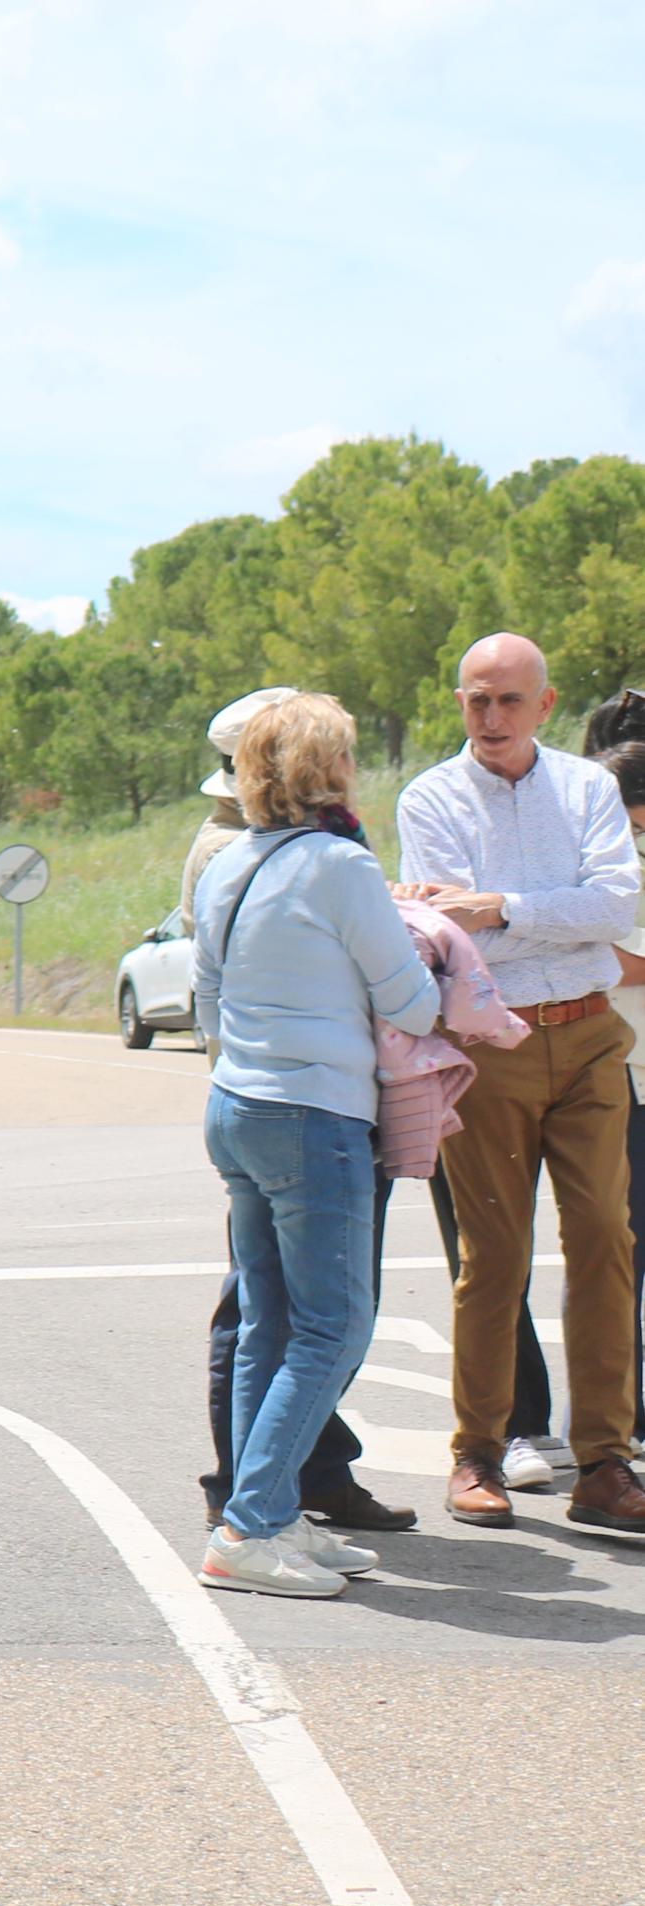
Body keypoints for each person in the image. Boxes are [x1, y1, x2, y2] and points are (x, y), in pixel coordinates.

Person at [190, 694, 441, 1598]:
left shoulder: (227, 862)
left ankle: (270, 1509)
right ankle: (251, 1526)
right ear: (327, 771)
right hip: (314, 1112)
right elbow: (410, 1001)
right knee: (333, 1327)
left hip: (237, 1104)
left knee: (269, 1321)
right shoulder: (340, 866)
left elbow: (206, 999)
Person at [396, 634, 645, 1537]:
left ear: (545, 706)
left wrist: (499, 906)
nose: (491, 719)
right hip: (488, 1044)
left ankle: (605, 1462)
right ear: (459, 703)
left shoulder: (585, 789)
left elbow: (615, 908)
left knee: (604, 1242)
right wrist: (549, 916)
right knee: (492, 1258)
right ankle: (477, 1453)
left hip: (586, 1039)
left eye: (508, 702)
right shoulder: (429, 796)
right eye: (475, 701)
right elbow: (443, 939)